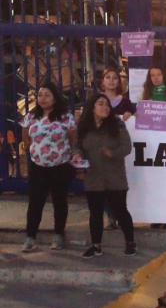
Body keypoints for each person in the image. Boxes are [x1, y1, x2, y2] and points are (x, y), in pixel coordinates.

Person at [72, 94, 137, 258]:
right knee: (95, 213)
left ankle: (130, 242)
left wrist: (112, 153)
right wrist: (78, 155)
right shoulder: (84, 126)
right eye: (100, 104)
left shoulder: (117, 125)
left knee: (120, 210)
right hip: (93, 177)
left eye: (107, 105)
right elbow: (77, 146)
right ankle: (96, 246)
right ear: (92, 108)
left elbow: (127, 147)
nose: (105, 107)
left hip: (115, 177)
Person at [20, 82, 78, 252]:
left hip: (61, 165)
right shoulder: (31, 116)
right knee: (35, 202)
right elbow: (26, 134)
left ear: (55, 98)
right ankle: (30, 237)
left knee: (59, 201)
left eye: (47, 95)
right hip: (37, 165)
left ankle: (58, 235)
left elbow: (73, 137)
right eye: (40, 95)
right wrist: (30, 151)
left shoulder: (65, 117)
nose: (42, 99)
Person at [141, 66, 166, 230]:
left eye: (158, 74)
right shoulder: (146, 95)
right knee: (155, 182)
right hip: (152, 142)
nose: (156, 78)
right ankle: (156, 215)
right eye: (152, 75)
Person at [99, 68, 136, 231]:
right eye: (108, 77)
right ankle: (110, 217)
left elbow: (136, 122)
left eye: (115, 78)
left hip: (121, 148)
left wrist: (130, 114)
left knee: (119, 185)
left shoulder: (126, 102)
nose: (112, 80)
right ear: (103, 81)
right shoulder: (98, 100)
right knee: (104, 184)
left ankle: (121, 215)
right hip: (102, 146)